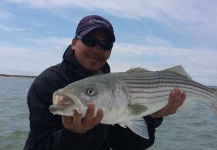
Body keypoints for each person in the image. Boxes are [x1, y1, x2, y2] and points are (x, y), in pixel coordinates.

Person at [24, 15, 186, 150]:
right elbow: (41, 145)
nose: (97, 48)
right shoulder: (48, 83)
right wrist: (73, 134)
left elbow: (123, 145)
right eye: (89, 40)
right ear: (74, 43)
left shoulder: (112, 87)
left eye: (105, 44)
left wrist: (152, 118)